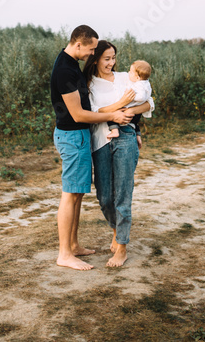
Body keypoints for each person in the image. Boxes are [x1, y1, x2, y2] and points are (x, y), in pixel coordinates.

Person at [50, 25, 134, 271]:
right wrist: (115, 117)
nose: (92, 54)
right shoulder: (65, 70)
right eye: (90, 49)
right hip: (73, 136)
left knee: (77, 194)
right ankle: (64, 254)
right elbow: (77, 114)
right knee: (70, 194)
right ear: (78, 44)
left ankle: (73, 245)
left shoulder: (69, 62)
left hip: (80, 137)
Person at [85, 41, 154, 268]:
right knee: (105, 196)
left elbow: (148, 102)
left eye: (113, 58)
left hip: (125, 137)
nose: (111, 63)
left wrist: (129, 112)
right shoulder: (89, 84)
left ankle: (122, 246)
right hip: (100, 141)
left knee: (123, 194)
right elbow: (94, 112)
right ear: (95, 60)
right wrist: (119, 107)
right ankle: (116, 230)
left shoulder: (126, 76)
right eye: (106, 59)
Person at [104, 60, 153, 141]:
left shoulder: (139, 84)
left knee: (112, 116)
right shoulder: (146, 83)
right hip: (136, 110)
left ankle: (114, 130)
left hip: (130, 107)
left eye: (130, 72)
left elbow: (141, 97)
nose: (128, 73)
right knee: (135, 122)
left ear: (137, 77)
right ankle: (137, 133)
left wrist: (130, 97)